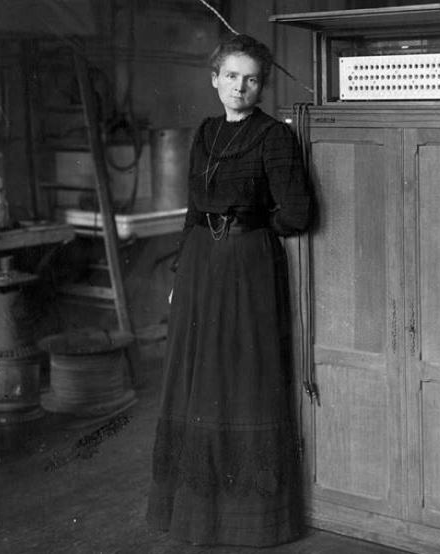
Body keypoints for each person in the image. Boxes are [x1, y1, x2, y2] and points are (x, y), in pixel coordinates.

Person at [146, 34, 313, 547]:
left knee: (241, 379)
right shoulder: (205, 132)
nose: (240, 87)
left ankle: (247, 522)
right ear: (215, 79)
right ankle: (194, 515)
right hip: (200, 266)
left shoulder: (274, 137)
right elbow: (193, 209)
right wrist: (182, 274)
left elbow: (298, 213)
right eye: (232, 76)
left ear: (261, 86)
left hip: (246, 266)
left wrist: (249, 228)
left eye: (251, 79)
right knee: (195, 381)